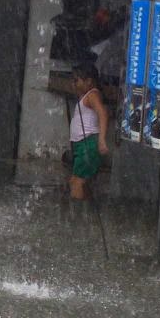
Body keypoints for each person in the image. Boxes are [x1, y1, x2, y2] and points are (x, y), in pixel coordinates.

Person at [66, 61, 111, 222]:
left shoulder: (92, 94)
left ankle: (76, 220)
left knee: (76, 183)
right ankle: (90, 215)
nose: (74, 84)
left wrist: (101, 140)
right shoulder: (86, 96)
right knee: (80, 182)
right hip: (83, 145)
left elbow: (103, 114)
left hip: (88, 144)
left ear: (89, 81)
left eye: (77, 80)